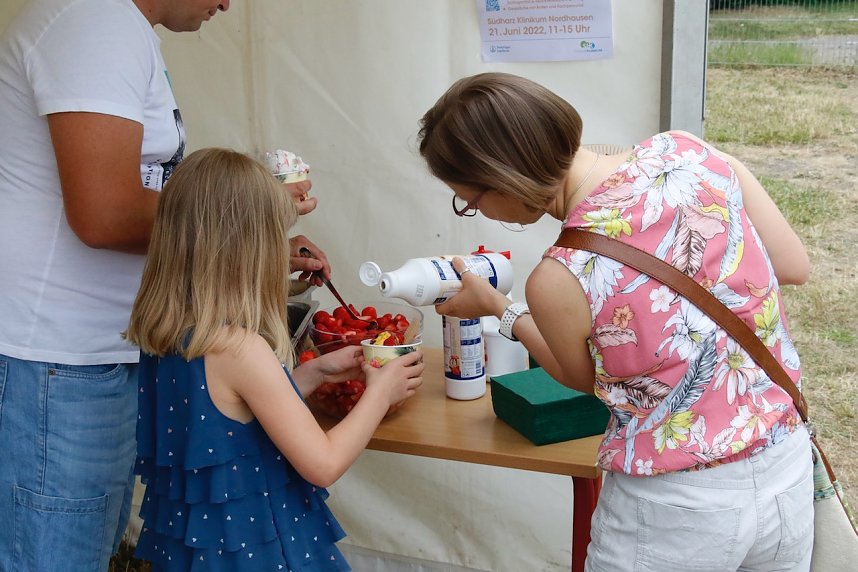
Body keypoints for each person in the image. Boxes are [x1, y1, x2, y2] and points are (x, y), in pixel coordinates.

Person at [417, 72, 813, 571]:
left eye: (470, 201)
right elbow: (794, 266)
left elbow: (585, 378)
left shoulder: (560, 274)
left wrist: (502, 309)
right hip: (785, 467)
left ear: (503, 180)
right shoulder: (693, 152)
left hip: (675, 504)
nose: (479, 211)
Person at [0, 1, 328, 569]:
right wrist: (254, 220)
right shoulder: (93, 24)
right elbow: (105, 213)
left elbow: (163, 208)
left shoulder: (120, 30)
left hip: (95, 353)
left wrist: (263, 244)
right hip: (61, 358)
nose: (228, 4)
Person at [123, 147, 424, 570]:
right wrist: (380, 392)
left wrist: (312, 373)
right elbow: (324, 463)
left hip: (202, 554)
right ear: (249, 250)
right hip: (264, 551)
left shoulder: (166, 332)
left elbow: (226, 422)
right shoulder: (240, 348)